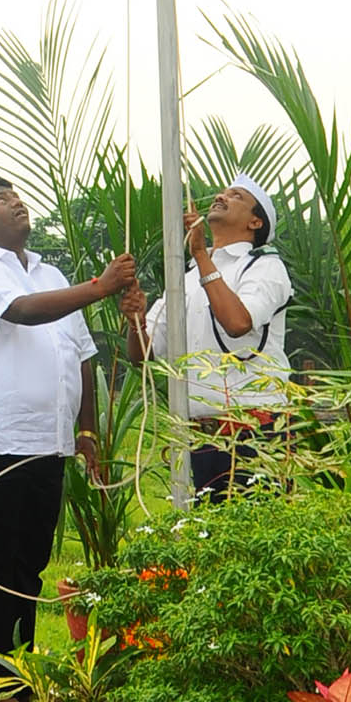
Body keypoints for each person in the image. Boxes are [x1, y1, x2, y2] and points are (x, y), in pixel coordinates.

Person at [0, 179, 134, 702]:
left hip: (47, 445)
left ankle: (24, 681)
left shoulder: (52, 274)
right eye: (0, 199)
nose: (15, 201)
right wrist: (100, 286)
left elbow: (82, 356)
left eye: (16, 195)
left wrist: (87, 429)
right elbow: (22, 313)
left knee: (27, 569)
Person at [120, 175, 293, 499]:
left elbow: (238, 322)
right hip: (200, 435)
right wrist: (136, 321)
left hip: (255, 429)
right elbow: (143, 355)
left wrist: (201, 253)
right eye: (223, 192)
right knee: (207, 525)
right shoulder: (185, 278)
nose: (222, 197)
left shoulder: (265, 267)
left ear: (255, 222)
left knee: (256, 523)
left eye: (236, 196)